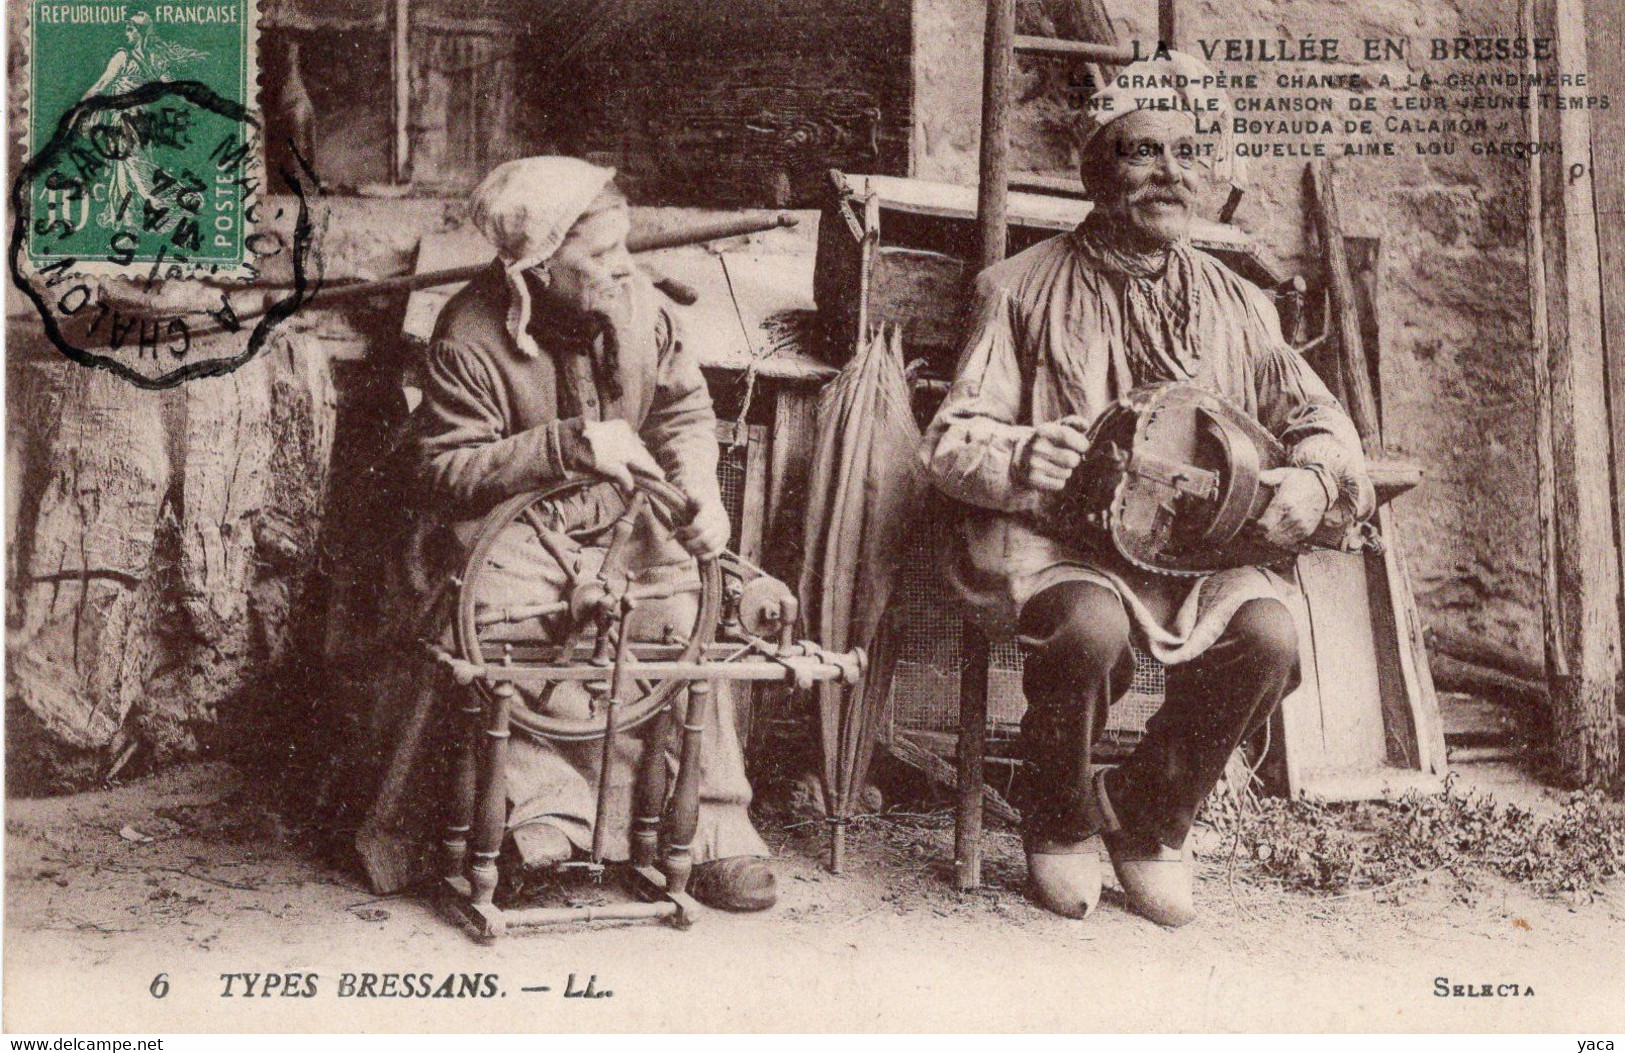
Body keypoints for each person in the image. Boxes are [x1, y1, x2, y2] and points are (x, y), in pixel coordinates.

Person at [920, 54, 1374, 927]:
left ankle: (1146, 819)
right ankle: (1056, 820)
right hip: (1060, 539)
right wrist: (1021, 455)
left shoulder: (1243, 305)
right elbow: (951, 440)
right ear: (1098, 170)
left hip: (1190, 552)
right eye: (1140, 151)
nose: (1168, 172)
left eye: (1185, 154)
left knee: (1270, 638)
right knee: (1089, 630)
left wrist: (1316, 481)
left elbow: (1322, 419)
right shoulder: (1016, 287)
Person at [362, 156, 775, 912]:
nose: (624, 269)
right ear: (539, 265)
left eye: (624, 248)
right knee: (512, 630)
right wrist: (567, 445)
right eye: (603, 256)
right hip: (502, 530)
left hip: (617, 522)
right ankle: (545, 821)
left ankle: (711, 823)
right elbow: (442, 471)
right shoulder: (467, 335)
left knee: (683, 614)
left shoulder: (639, 307)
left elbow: (682, 411)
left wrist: (698, 488)